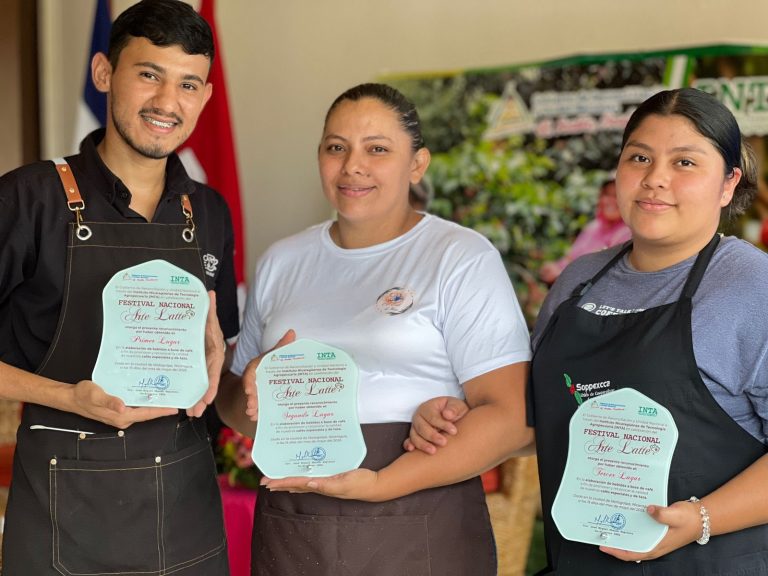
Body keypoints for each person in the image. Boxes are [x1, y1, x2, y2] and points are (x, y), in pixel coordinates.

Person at [415, 87, 768, 575]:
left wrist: (701, 518)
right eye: (639, 157)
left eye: (684, 163)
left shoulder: (752, 286)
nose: (655, 180)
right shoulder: (580, 280)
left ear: (728, 184)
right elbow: (545, 421)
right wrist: (455, 417)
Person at [216, 83, 533, 576]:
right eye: (335, 147)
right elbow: (232, 401)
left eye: (377, 149)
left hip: (418, 519)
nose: (352, 166)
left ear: (417, 164)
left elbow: (513, 416)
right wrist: (257, 393)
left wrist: (383, 482)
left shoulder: (459, 257)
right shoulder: (283, 260)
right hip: (296, 525)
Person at [0, 1, 239, 574]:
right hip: (64, 516)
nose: (167, 102)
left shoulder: (207, 210)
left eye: (188, 83)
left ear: (205, 96)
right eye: (148, 74)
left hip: (187, 512)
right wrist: (68, 397)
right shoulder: (28, 198)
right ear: (104, 73)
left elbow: (217, 358)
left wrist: (239, 378)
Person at [538, 177, 631, 285]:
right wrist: (555, 267)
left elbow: (607, 275)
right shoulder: (592, 227)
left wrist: (562, 274)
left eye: (617, 196)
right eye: (606, 194)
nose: (610, 201)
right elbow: (570, 259)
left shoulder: (627, 234)